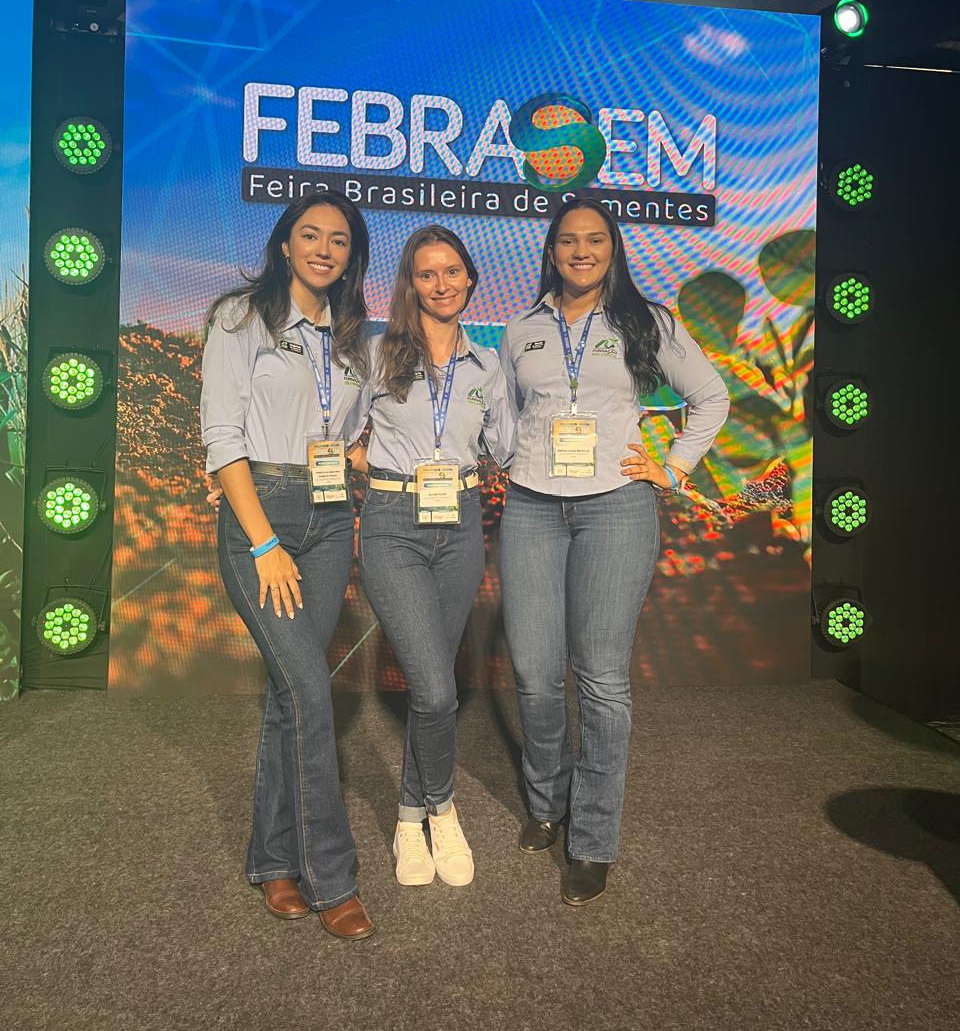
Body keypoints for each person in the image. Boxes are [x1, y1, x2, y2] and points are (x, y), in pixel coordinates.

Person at [498, 197, 729, 906]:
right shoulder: (522, 329)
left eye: (594, 240)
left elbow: (711, 398)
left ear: (613, 248)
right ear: (553, 249)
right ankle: (548, 802)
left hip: (615, 510)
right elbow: (506, 417)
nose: (580, 251)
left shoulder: (646, 321)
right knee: (536, 675)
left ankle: (592, 838)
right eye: (568, 241)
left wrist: (675, 467)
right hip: (532, 507)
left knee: (600, 679)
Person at [200, 190, 376, 939]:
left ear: (350, 256)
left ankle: (272, 863)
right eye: (310, 235)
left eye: (339, 240)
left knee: (287, 698)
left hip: (332, 518)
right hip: (259, 517)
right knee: (309, 691)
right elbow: (223, 436)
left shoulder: (356, 335)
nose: (324, 249)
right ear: (283, 244)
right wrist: (266, 543)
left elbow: (354, 434)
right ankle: (333, 879)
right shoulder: (240, 319)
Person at [358, 226, 514, 888]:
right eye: (427, 274)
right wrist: (358, 459)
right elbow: (334, 429)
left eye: (453, 272)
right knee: (437, 688)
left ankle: (407, 815)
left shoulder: (489, 366)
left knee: (435, 692)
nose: (442, 284)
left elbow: (506, 449)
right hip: (394, 524)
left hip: (461, 523)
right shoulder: (375, 354)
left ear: (472, 280)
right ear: (409, 284)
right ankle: (440, 811)